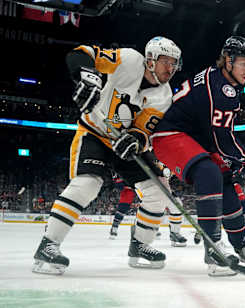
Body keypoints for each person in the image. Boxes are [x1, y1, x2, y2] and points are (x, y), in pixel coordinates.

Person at [32, 36, 183, 275]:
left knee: (159, 190)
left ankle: (140, 244)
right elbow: (81, 53)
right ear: (151, 60)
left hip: (122, 145)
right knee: (88, 184)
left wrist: (135, 139)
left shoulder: (164, 95)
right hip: (94, 132)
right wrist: (88, 80)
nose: (171, 68)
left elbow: (144, 128)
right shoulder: (130, 59)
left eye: (175, 63)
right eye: (166, 61)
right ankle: (48, 244)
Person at [151, 35, 245, 276]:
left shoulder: (218, 79)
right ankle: (213, 249)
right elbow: (223, 138)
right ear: (228, 61)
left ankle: (241, 245)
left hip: (196, 139)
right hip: (169, 135)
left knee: (226, 178)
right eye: (243, 63)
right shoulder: (223, 90)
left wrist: (235, 162)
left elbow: (216, 135)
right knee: (209, 171)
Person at [109, 174, 187, 247]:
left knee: (177, 205)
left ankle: (175, 233)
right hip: (144, 183)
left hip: (161, 183)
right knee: (152, 204)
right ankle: (147, 228)